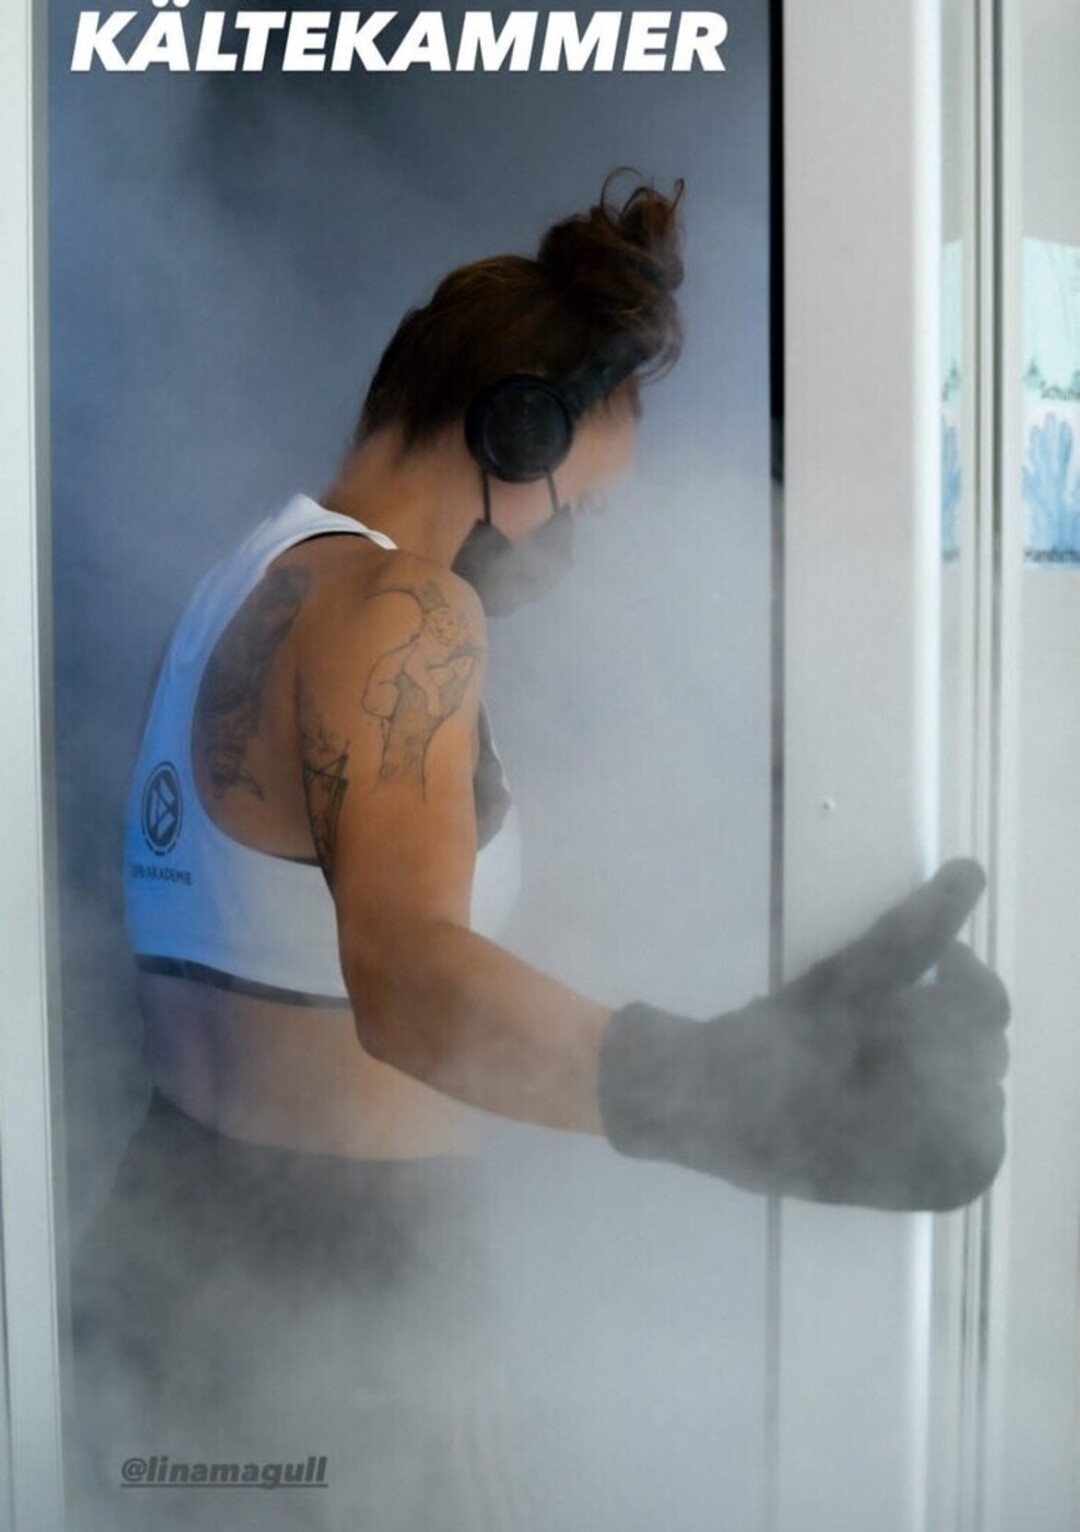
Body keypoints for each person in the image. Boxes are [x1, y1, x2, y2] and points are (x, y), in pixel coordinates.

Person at [70, 174, 1010, 1531]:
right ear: (517, 432)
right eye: (578, 506)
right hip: (355, 1314)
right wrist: (734, 1097)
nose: (572, 548)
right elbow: (406, 978)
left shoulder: (247, 581)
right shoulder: (406, 608)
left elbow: (299, 951)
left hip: (171, 1261)